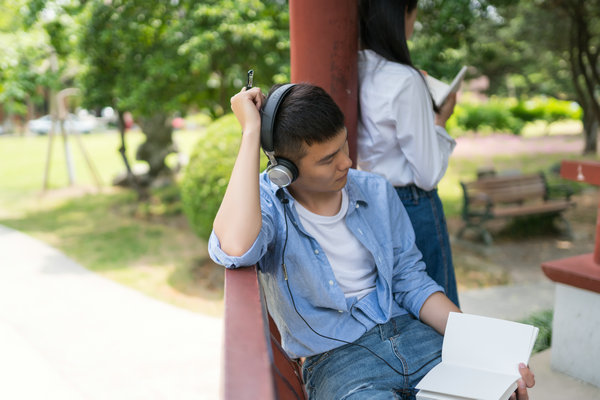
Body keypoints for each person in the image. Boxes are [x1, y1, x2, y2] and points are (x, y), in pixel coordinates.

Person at [208, 83, 534, 399]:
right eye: (327, 159)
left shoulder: (376, 190)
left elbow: (412, 280)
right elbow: (235, 248)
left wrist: (484, 352)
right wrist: (251, 133)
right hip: (338, 360)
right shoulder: (269, 206)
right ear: (286, 171)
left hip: (414, 336)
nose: (346, 162)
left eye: (344, 145)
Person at [357, 0, 460, 306]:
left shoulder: (352, 69)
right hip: (411, 204)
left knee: (396, 309)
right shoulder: (403, 79)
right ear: (401, 13)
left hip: (367, 201)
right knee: (438, 307)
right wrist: (440, 122)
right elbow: (427, 175)